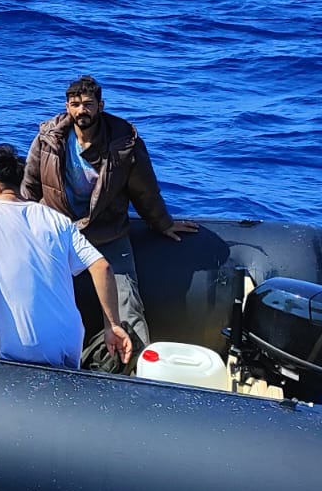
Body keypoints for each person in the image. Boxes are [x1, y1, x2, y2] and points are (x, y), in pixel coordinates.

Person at [20, 75, 197, 347]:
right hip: (58, 231)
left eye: (88, 104)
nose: (82, 110)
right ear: (67, 107)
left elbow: (145, 189)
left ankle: (132, 370)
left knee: (126, 305)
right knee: (37, 295)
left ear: (101, 106)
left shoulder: (124, 141)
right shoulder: (49, 137)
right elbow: (30, 186)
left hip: (108, 233)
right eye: (75, 104)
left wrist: (163, 224)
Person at [0, 145, 130, 369]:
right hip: (67, 345)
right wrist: (112, 325)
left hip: (15, 350)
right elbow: (102, 267)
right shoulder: (56, 219)